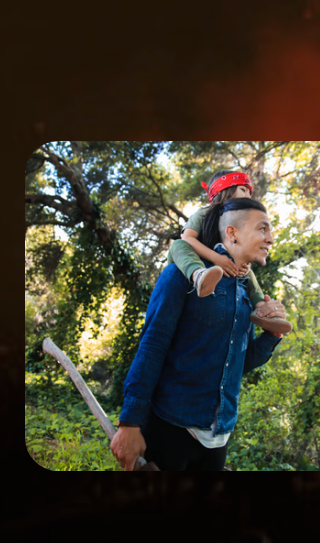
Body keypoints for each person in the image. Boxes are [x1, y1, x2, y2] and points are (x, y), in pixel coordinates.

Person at [111, 197, 288, 470]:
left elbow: (237, 364)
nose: (271, 239)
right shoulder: (180, 275)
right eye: (262, 229)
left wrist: (271, 335)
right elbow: (152, 346)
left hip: (219, 437)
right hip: (170, 426)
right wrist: (130, 422)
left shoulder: (245, 294)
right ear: (232, 233)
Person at [167, 170, 290, 336]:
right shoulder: (204, 213)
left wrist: (244, 265)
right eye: (243, 190)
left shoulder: (238, 221)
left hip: (225, 265)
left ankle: (262, 310)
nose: (248, 196)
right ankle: (199, 276)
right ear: (224, 189)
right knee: (178, 245)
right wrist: (216, 258)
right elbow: (188, 238)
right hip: (196, 259)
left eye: (249, 193)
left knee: (250, 274)